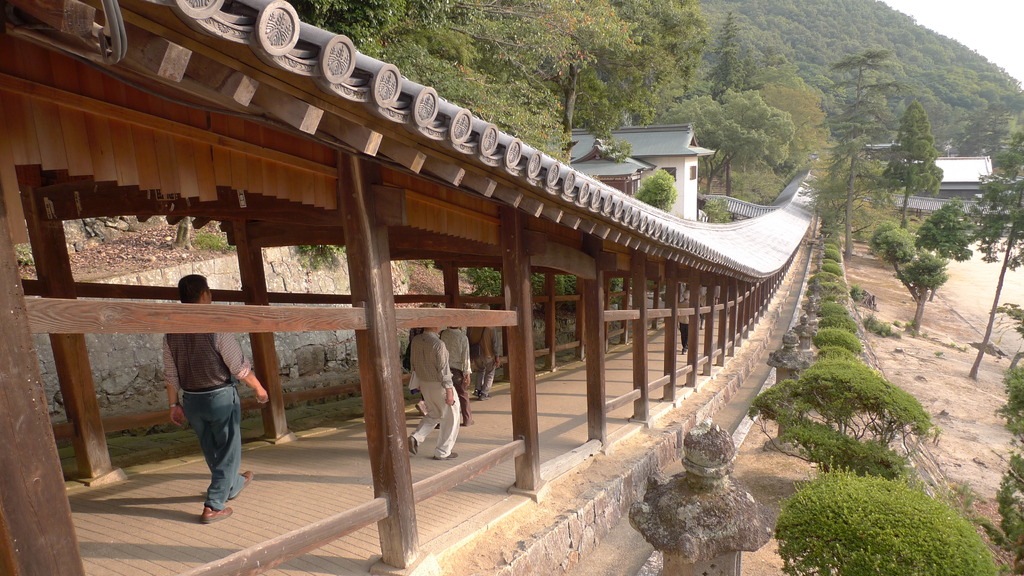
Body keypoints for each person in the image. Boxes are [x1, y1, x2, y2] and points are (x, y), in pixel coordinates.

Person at [163, 274, 269, 524]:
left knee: (211, 448)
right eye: (209, 292)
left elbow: (170, 374)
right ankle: (214, 505)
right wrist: (259, 388)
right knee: (228, 449)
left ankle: (233, 484)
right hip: (220, 397)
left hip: (191, 400)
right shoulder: (215, 327)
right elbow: (238, 367)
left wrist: (173, 404)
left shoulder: (171, 333)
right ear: (204, 295)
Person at [408, 326, 460, 460]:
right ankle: (443, 451)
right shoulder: (438, 344)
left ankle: (416, 437)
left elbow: (413, 362)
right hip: (440, 384)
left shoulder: (416, 340)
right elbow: (444, 369)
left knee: (434, 414)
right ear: (435, 325)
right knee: (451, 417)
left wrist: (417, 382)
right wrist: (449, 392)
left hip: (424, 383)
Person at [440, 326, 473, 426]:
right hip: (457, 369)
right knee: (463, 395)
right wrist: (467, 373)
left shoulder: (443, 334)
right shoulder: (463, 337)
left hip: (444, 369)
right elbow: (465, 356)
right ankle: (467, 419)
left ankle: (442, 421)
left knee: (444, 395)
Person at [468, 325, 502, 400]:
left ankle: (477, 390)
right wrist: (497, 356)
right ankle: (484, 393)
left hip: (476, 354)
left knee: (480, 371)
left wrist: (470, 356)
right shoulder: (491, 328)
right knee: (490, 373)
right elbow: (495, 343)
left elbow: (469, 340)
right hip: (488, 354)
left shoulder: (472, 327)